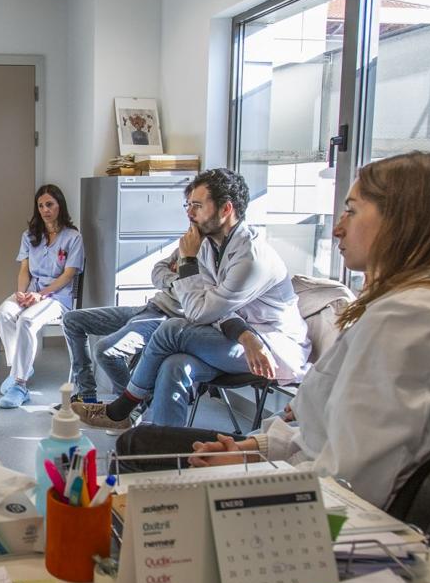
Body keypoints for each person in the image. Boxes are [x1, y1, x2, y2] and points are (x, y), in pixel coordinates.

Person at [118, 152, 430, 508]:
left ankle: (129, 410)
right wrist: (251, 447)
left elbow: (345, 486)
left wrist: (250, 464)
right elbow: (324, 434)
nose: (338, 229)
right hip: (303, 460)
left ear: (403, 222)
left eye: (352, 211)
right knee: (150, 426)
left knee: (140, 443)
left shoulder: (410, 321)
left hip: (323, 514)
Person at [74, 168, 308, 429]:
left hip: (268, 350)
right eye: (188, 205)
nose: (189, 212)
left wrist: (186, 262)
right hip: (241, 340)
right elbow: (210, 308)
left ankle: (123, 408)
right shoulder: (208, 245)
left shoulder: (251, 258)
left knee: (172, 327)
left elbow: (198, 312)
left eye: (197, 205)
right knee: (175, 365)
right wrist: (243, 333)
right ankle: (163, 452)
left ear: (225, 208)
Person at [0, 184, 85, 409]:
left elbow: (68, 275)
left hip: (57, 298)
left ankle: (20, 385)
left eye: (50, 204)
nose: (45, 209)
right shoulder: (30, 236)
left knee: (26, 320)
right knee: (4, 313)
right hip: (32, 291)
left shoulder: (73, 238)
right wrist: (22, 292)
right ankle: (19, 368)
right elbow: (24, 269)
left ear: (59, 206)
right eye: (41, 205)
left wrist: (40, 295)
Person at [62, 248, 183, 405]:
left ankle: (130, 407)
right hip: (148, 308)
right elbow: (157, 271)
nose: (191, 225)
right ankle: (87, 397)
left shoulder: (210, 255)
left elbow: (189, 290)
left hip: (167, 318)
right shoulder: (188, 242)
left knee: (105, 351)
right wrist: (175, 280)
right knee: (71, 320)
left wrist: (172, 277)